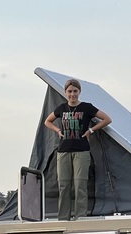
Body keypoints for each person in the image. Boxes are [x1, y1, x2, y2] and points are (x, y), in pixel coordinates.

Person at [43, 78, 112, 220]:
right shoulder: (61, 108)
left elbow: (107, 119)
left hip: (82, 151)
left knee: (80, 184)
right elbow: (47, 121)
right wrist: (57, 130)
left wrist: (91, 130)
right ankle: (63, 218)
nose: (72, 94)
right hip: (63, 151)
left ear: (79, 92)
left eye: (75, 91)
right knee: (64, 186)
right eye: (69, 91)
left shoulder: (86, 107)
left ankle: (80, 217)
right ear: (65, 92)